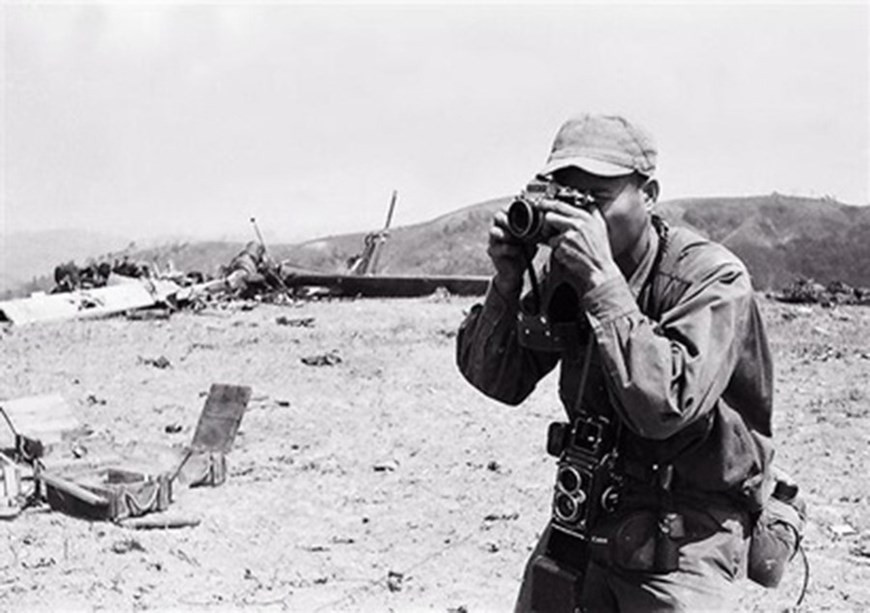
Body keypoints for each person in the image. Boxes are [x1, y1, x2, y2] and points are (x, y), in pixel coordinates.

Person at [456, 114, 779, 612]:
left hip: (690, 523)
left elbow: (663, 407)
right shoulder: (563, 270)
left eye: (596, 201)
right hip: (594, 504)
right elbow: (500, 380)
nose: (579, 219)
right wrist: (506, 282)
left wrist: (603, 284)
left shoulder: (711, 279)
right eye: (565, 199)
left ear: (649, 194)